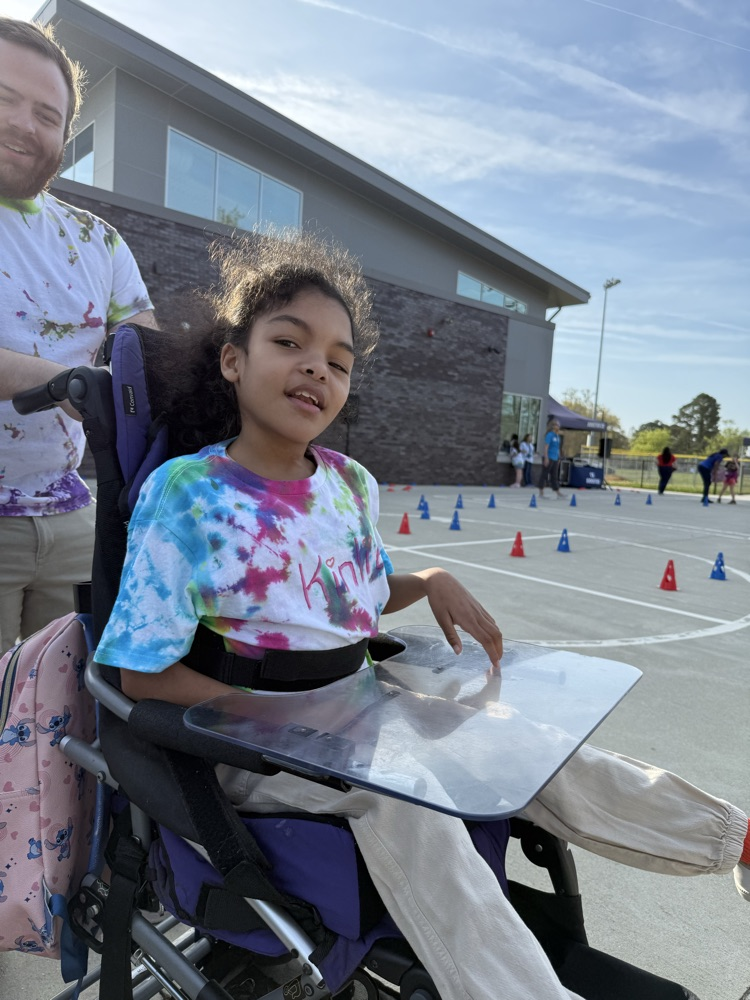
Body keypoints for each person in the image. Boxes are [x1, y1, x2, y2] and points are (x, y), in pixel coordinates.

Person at [94, 232, 749, 1000]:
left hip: (356, 706)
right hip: (251, 740)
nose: (318, 368)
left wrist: (428, 579)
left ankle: (736, 841)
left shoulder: (347, 484)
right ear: (233, 360)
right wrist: (277, 719)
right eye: (290, 343)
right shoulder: (187, 493)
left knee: (525, 746)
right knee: (408, 800)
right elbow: (139, 676)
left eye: (339, 361)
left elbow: (354, 598)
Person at [0, 18, 156, 654]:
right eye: (5, 99)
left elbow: (146, 358)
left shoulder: (97, 239)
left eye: (47, 115)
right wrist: (62, 381)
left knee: (65, 704)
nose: (23, 125)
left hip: (70, 515)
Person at [539, 419, 565, 499]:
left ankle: (557, 492)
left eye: (559, 425)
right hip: (549, 457)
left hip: (555, 458)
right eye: (557, 425)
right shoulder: (550, 435)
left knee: (554, 475)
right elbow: (546, 447)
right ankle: (541, 492)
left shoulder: (557, 436)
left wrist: (559, 458)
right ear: (553, 426)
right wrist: (546, 457)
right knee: (544, 474)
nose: (558, 427)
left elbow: (557, 448)